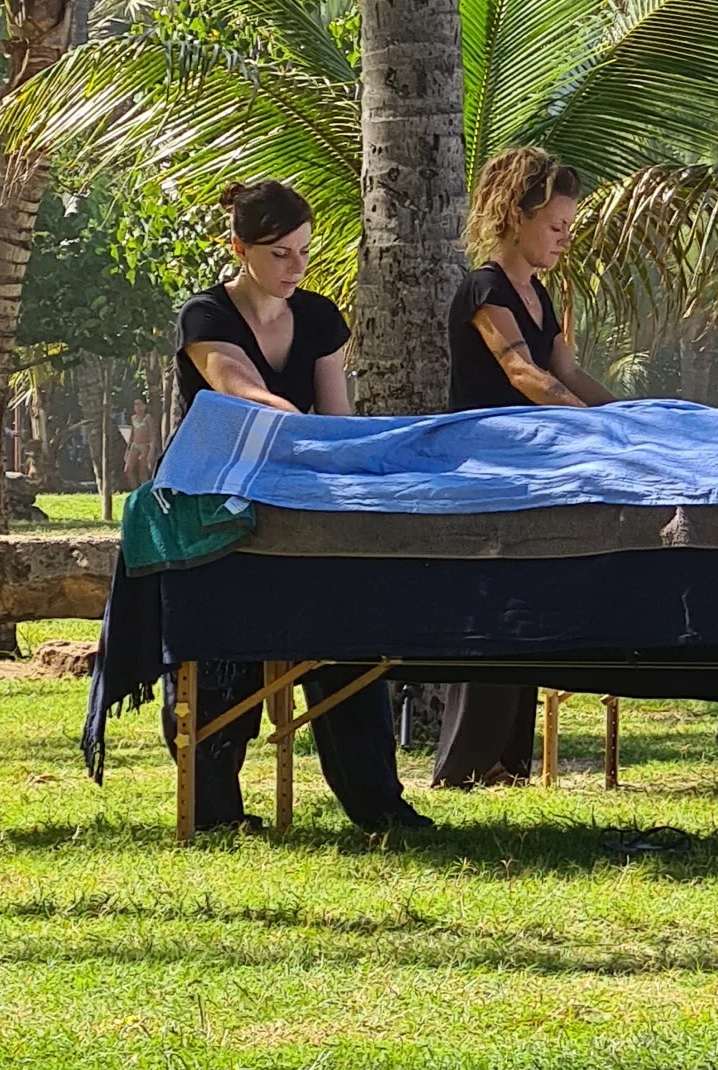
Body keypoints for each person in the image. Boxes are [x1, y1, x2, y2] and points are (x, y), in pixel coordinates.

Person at [167, 179, 431, 832]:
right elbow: (243, 393)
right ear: (240, 248)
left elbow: (335, 418)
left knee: (348, 643)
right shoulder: (205, 318)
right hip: (215, 510)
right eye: (280, 253)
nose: (296, 266)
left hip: (300, 501)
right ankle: (214, 813)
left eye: (304, 251)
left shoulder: (317, 317)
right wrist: (314, 441)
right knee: (223, 657)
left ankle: (379, 805)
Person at [435, 146, 617, 790]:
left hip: (532, 471)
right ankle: (465, 762)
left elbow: (568, 374)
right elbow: (524, 374)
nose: (566, 238)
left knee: (525, 610)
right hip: (489, 472)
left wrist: (631, 418)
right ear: (515, 216)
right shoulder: (484, 288)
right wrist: (594, 428)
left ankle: (503, 762)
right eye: (556, 226)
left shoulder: (537, 292)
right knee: (493, 610)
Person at [123, 398, 158, 490]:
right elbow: (132, 434)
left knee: (142, 469)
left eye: (139, 405)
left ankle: (144, 489)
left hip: (145, 446)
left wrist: (151, 450)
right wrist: (128, 449)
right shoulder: (133, 418)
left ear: (144, 406)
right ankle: (135, 489)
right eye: (135, 405)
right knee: (128, 469)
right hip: (135, 445)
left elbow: (153, 435)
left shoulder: (148, 418)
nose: (137, 407)